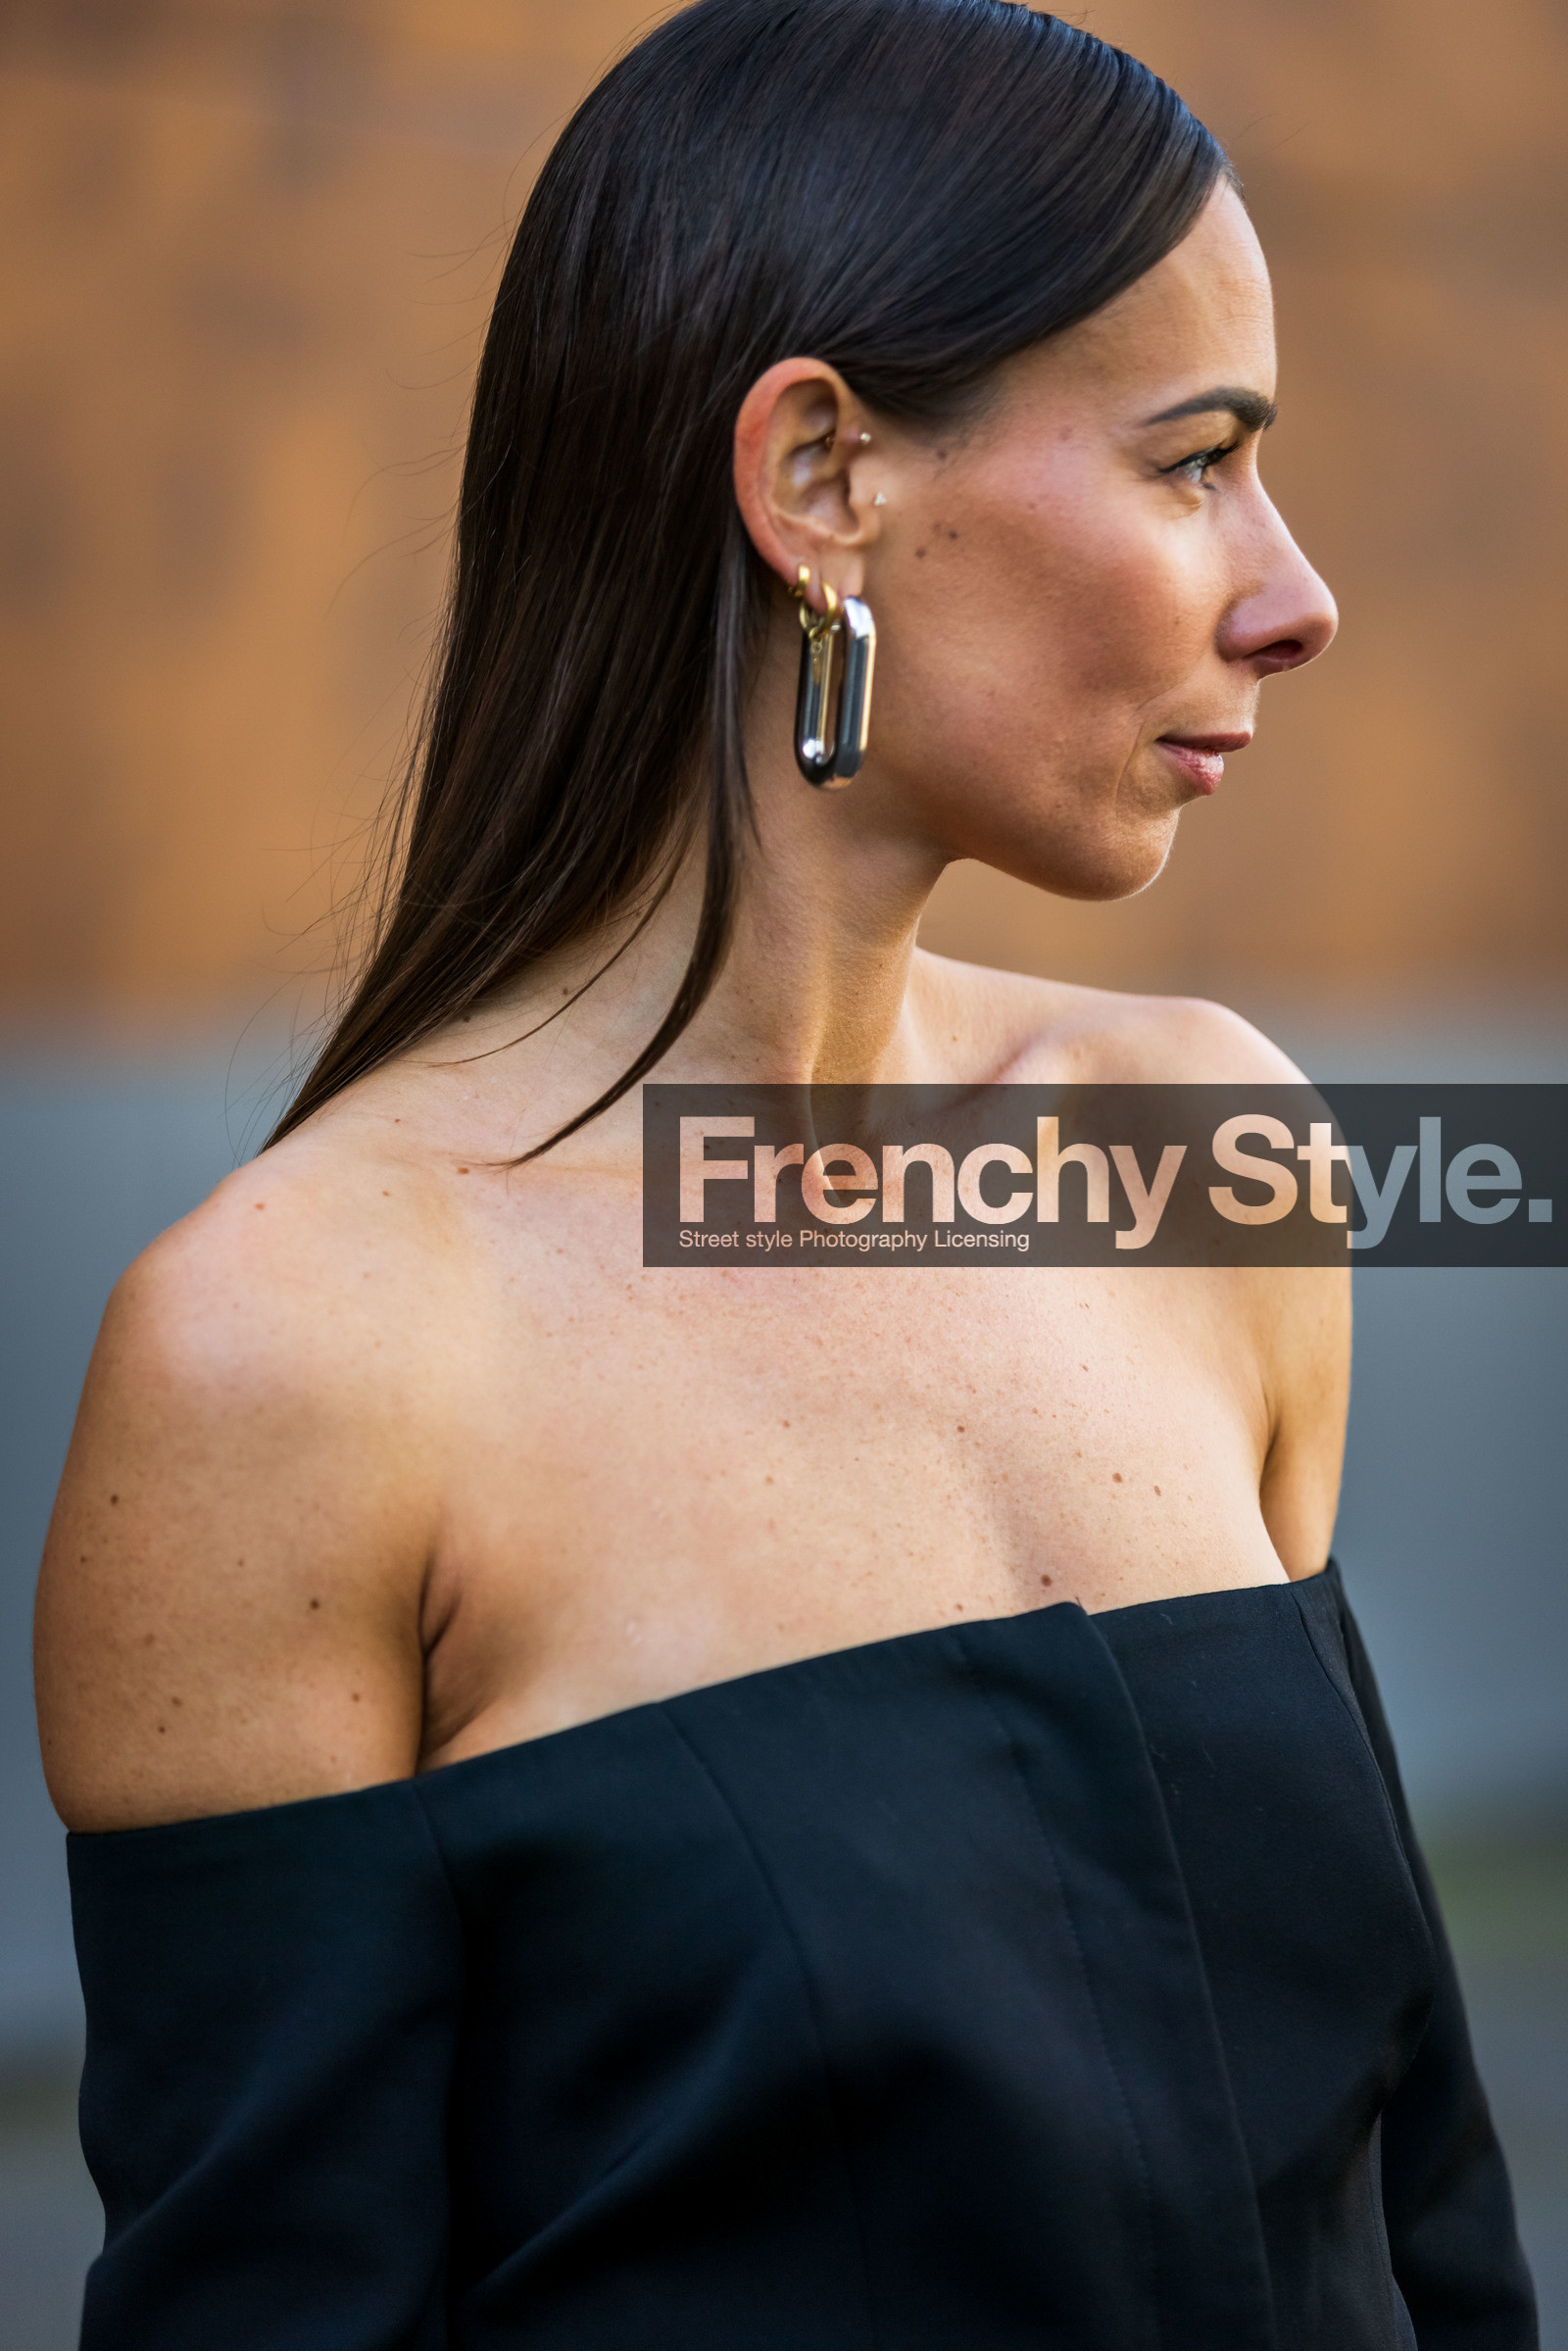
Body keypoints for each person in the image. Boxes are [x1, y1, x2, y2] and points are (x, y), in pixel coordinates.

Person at [34, 3, 1537, 2345]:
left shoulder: (1208, 1154)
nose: (1291, 590)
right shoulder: (292, 1353)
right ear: (818, 475)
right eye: (1191, 461)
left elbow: (1414, 2189)